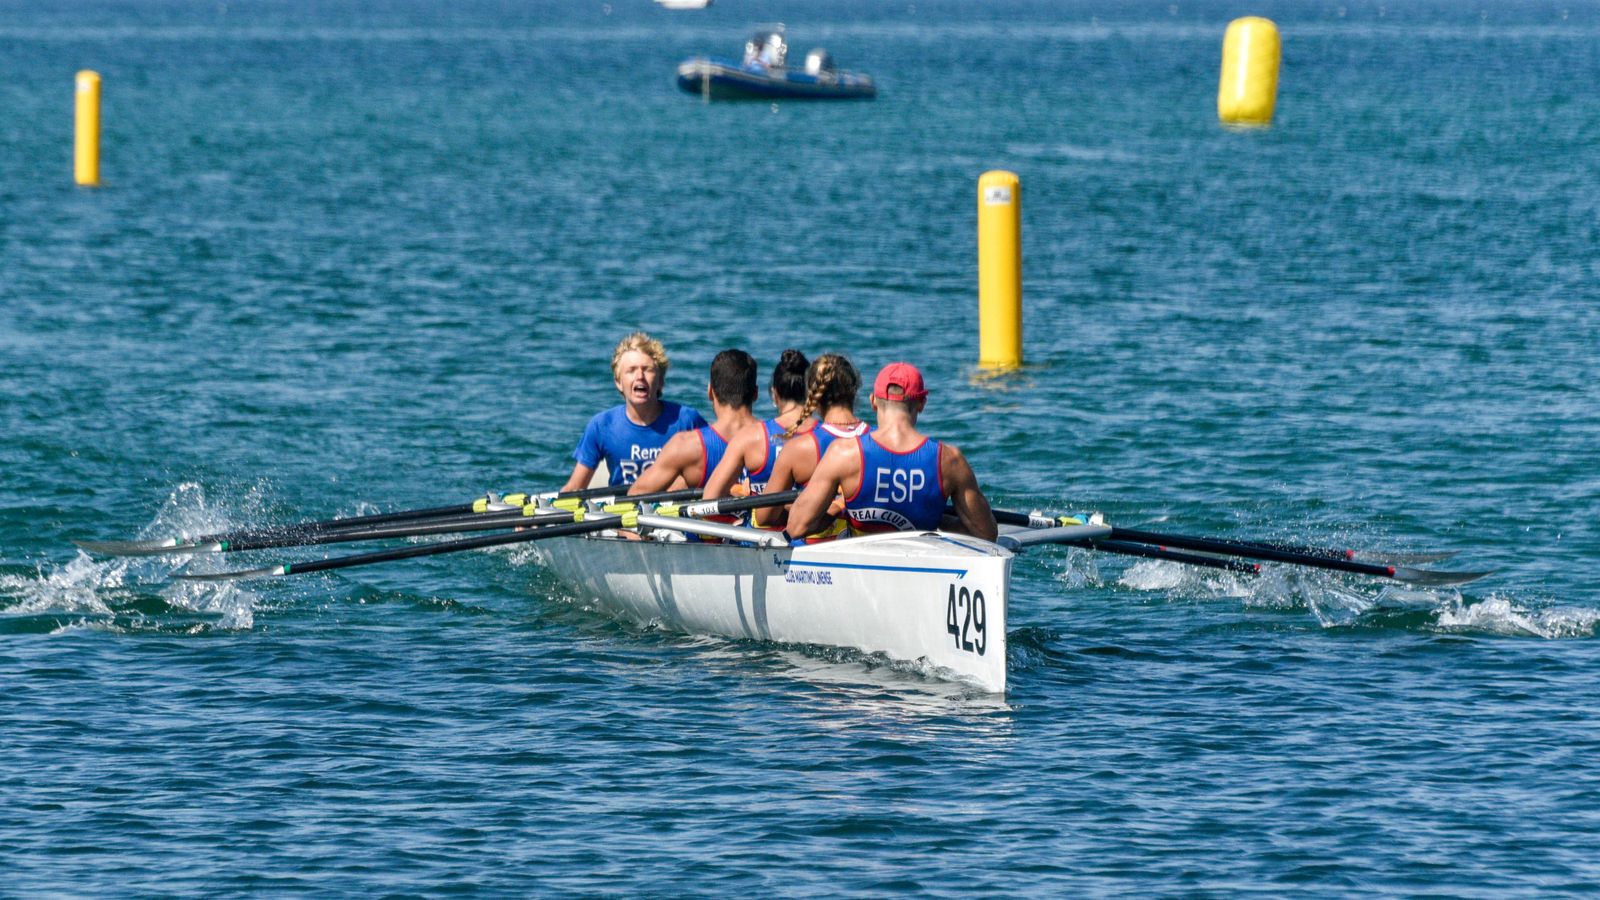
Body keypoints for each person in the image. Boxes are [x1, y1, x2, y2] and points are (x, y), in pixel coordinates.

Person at [786, 362, 997, 543]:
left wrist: (841, 508)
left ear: (873, 402)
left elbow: (796, 527)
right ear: (922, 404)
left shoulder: (845, 453)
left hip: (861, 570)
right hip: (921, 568)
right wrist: (937, 519)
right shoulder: (950, 460)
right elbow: (986, 534)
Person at [560, 332, 708, 492]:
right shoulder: (601, 426)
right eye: (631, 370)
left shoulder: (686, 420)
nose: (640, 376)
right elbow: (575, 487)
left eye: (647, 370)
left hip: (673, 512)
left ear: (660, 381)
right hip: (622, 512)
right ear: (618, 382)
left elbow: (714, 466)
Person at [749, 353, 869, 534]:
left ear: (813, 395)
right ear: (854, 389)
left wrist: (797, 507)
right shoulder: (876, 440)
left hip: (812, 548)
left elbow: (765, 517)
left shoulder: (798, 448)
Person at [628, 349, 760, 496]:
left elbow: (634, 496)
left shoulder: (687, 446)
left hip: (709, 518)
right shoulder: (778, 439)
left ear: (710, 392)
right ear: (755, 394)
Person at [701, 349, 811, 499]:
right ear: (810, 392)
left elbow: (710, 497)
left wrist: (739, 491)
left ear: (774, 393)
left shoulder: (751, 437)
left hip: (763, 520)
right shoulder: (827, 436)